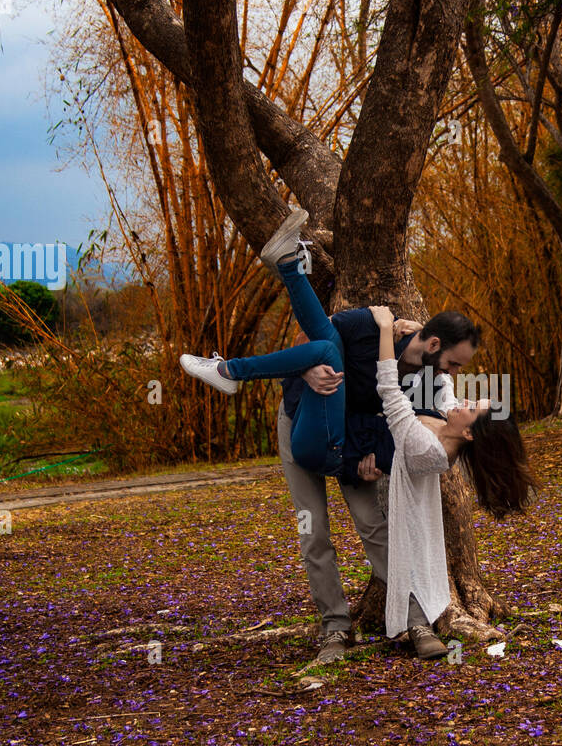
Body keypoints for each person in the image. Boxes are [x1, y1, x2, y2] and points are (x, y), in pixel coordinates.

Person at [179, 209, 485, 665]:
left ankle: (416, 618)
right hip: (305, 421)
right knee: (313, 529)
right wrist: (305, 368)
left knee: (375, 527)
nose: (455, 374)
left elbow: (407, 431)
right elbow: (316, 340)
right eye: (456, 364)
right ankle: (335, 628)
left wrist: (378, 458)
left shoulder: (427, 385)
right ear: (436, 344)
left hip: (354, 447)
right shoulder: (370, 326)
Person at [368, 304, 537, 658]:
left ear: (471, 433)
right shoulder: (451, 430)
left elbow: (388, 389)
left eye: (472, 405)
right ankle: (419, 622)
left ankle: (416, 624)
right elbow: (444, 388)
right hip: (415, 514)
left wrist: (385, 329)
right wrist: (429, 341)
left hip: (399, 511)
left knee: (396, 559)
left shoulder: (425, 444)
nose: (466, 400)